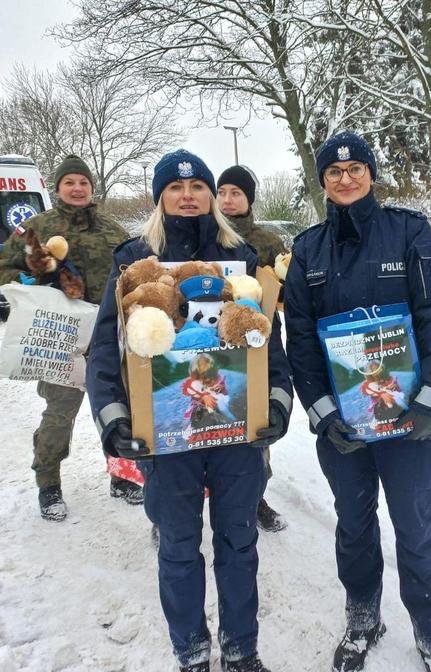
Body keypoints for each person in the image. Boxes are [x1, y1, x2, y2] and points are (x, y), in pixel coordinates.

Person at [86, 149, 292, 672]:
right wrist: (113, 419)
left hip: (235, 429)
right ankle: (192, 651)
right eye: (176, 188)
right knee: (178, 546)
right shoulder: (134, 259)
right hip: (167, 431)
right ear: (160, 196)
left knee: (238, 542)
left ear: (211, 197)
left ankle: (242, 649)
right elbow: (107, 347)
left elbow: (270, 342)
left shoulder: (241, 256)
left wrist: (275, 402)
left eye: (198, 186)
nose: (187, 195)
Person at [284, 131, 431, 672]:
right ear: (322, 182)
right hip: (345, 429)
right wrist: (323, 414)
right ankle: (362, 619)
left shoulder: (409, 232)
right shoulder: (308, 249)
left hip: (408, 422)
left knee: (415, 526)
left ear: (370, 174)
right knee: (354, 525)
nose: (345, 178)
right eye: (334, 172)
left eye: (355, 168)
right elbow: (300, 339)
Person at [0, 154, 143, 522]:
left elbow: (134, 277)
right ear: (58, 187)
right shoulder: (37, 227)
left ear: (91, 188)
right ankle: (48, 483)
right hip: (61, 340)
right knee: (60, 414)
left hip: (108, 340)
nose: (77, 188)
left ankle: (122, 476)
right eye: (69, 183)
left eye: (83, 183)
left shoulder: (113, 231)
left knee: (119, 410)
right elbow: (5, 269)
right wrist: (31, 283)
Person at [217, 164, 288, 532]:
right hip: (209, 344)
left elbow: (286, 292)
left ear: (249, 199)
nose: (228, 200)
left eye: (236, 193)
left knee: (256, 425)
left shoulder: (266, 242)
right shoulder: (207, 233)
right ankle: (176, 510)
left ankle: (256, 496)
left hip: (257, 349)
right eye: (223, 192)